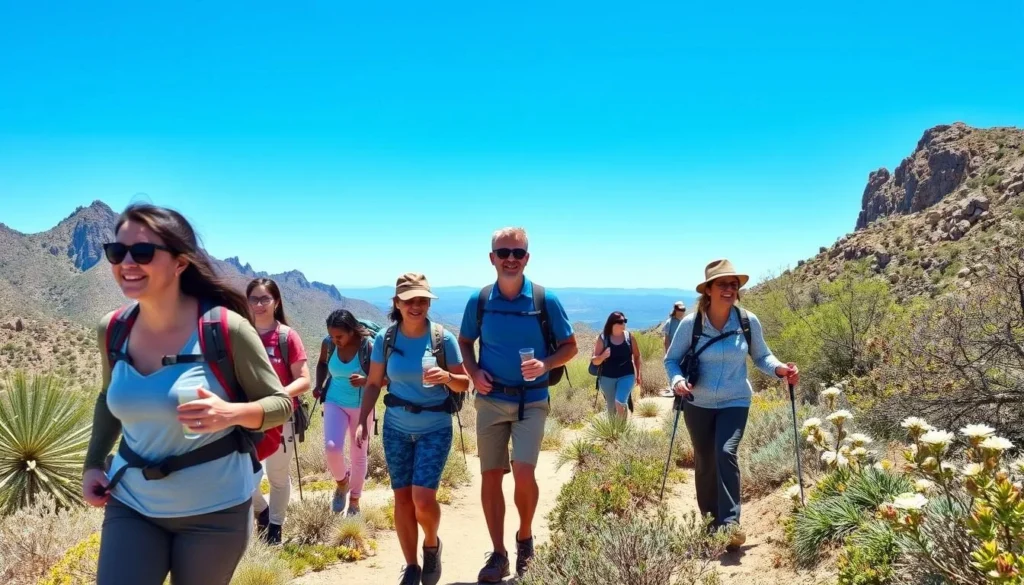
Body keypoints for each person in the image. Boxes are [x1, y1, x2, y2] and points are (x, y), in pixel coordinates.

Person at [81, 204, 293, 585]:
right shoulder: (112, 329)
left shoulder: (226, 328)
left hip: (216, 511)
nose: (127, 262)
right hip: (133, 502)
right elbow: (108, 398)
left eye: (143, 253)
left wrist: (230, 413)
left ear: (180, 263)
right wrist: (93, 463)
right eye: (117, 252)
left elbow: (280, 404)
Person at [458, 227, 578, 582]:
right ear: (492, 258)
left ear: (527, 258)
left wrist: (545, 364)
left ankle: (525, 538)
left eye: (518, 253)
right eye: (504, 252)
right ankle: (498, 555)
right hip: (491, 400)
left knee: (524, 473)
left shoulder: (545, 300)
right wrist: (474, 371)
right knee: (490, 477)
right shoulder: (479, 301)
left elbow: (570, 346)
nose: (511, 258)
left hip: (532, 400)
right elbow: (465, 342)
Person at [664, 259, 799, 552]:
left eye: (733, 284)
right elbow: (671, 359)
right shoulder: (692, 324)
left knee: (725, 452)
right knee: (704, 459)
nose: (729, 289)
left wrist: (780, 370)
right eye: (722, 284)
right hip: (697, 402)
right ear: (708, 290)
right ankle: (710, 522)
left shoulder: (747, 322)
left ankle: (730, 526)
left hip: (735, 401)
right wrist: (676, 381)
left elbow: (763, 356)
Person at [354, 273, 470, 585]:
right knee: (402, 497)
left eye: (422, 300)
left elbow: (465, 382)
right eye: (409, 300)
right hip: (396, 427)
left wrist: (446, 377)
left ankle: (431, 544)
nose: (416, 306)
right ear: (397, 303)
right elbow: (375, 382)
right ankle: (411, 566)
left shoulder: (442, 339)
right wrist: (365, 418)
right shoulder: (386, 340)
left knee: (422, 498)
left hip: (435, 426)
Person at [246, 277, 311, 545]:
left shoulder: (286, 336)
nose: (259, 304)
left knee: (277, 476)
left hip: (281, 417)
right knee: (244, 478)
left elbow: (304, 380)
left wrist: (277, 396)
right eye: (254, 299)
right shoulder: (242, 334)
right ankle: (261, 511)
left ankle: (275, 526)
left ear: (276, 302)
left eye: (265, 299)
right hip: (246, 419)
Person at [313, 309, 376, 516]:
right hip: (334, 401)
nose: (335, 340)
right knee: (332, 448)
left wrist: (365, 381)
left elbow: (383, 379)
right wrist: (319, 384)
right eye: (332, 336)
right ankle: (342, 483)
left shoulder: (368, 347)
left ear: (351, 331)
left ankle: (355, 501)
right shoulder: (329, 344)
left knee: (358, 454)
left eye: (339, 336)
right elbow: (322, 363)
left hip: (362, 406)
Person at [590, 311, 642, 417]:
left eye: (624, 321)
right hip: (607, 377)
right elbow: (594, 361)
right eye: (620, 321)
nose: (623, 323)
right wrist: (602, 356)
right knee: (611, 406)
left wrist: (639, 374)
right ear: (612, 323)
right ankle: (612, 431)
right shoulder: (603, 338)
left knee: (620, 403)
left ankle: (622, 431)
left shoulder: (629, 337)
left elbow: (637, 356)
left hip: (627, 375)